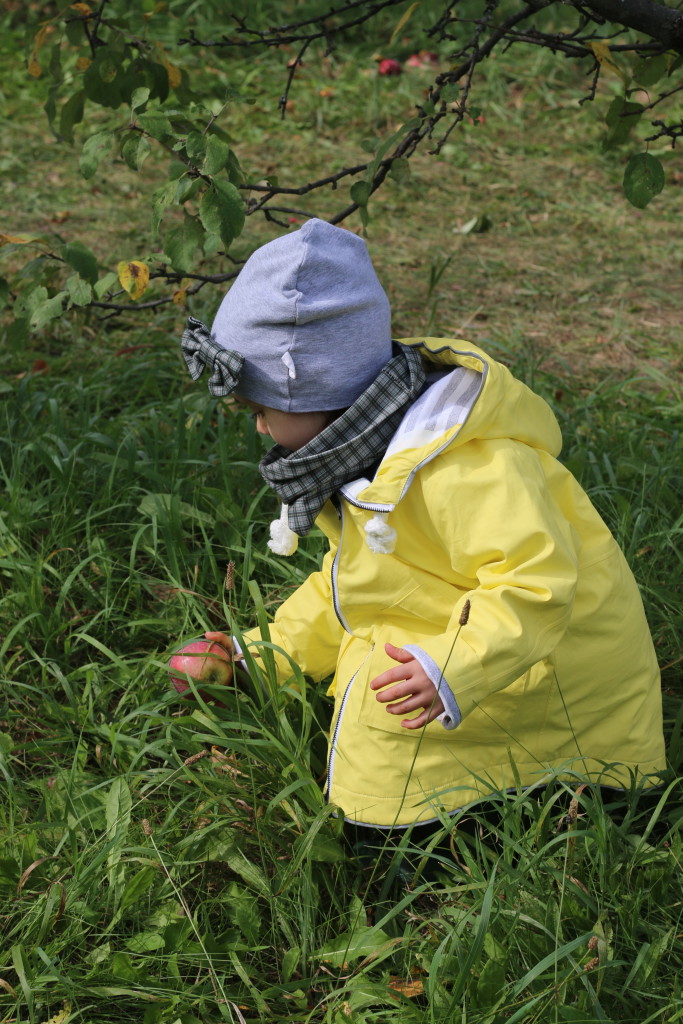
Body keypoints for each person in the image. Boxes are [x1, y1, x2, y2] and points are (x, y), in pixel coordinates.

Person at [179, 217, 666, 833]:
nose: (257, 428)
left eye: (262, 410)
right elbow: (355, 586)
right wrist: (260, 659)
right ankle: (386, 819)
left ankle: (532, 800)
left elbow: (536, 581)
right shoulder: (371, 460)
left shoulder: (470, 466)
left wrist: (452, 667)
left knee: (382, 747)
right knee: (373, 725)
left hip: (547, 670)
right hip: (448, 645)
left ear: (317, 394)